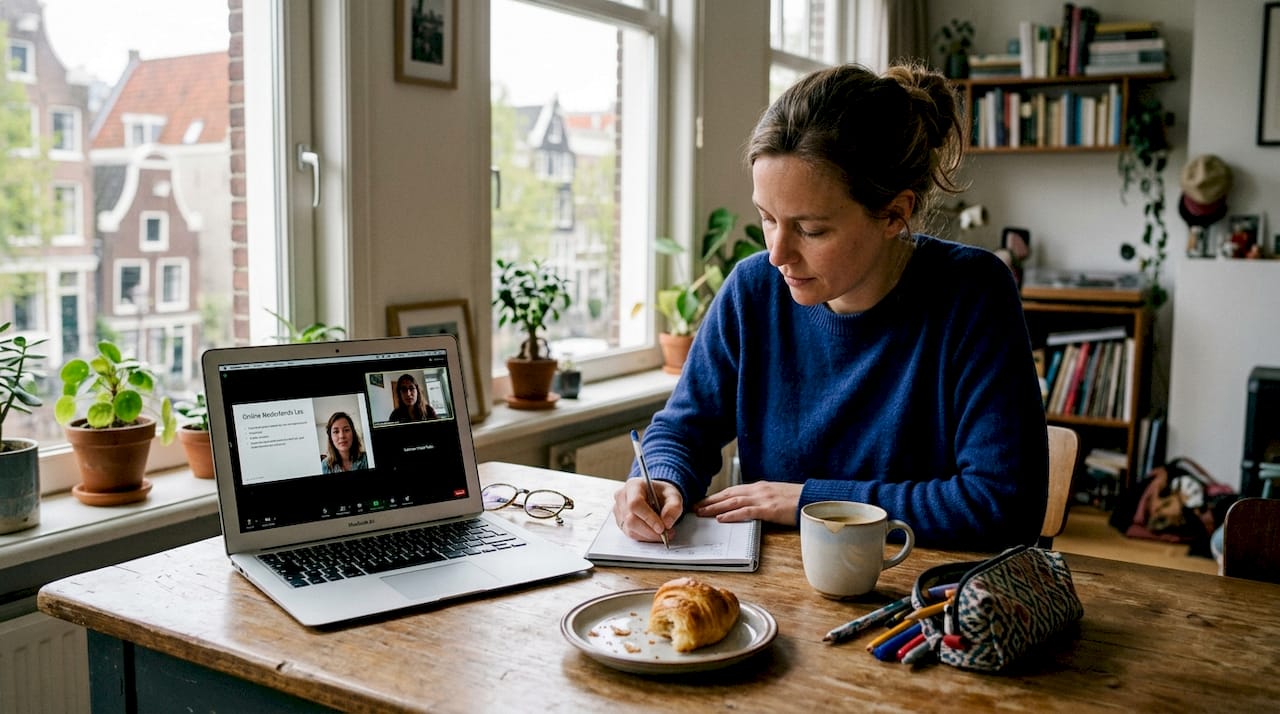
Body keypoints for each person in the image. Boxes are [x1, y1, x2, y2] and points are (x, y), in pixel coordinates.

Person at [613, 62, 1048, 551]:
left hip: (922, 600)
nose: (777, 254)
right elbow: (683, 427)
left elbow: (1003, 505)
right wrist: (662, 477)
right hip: (782, 592)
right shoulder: (752, 289)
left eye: (811, 230)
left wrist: (811, 502)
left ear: (894, 213)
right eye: (767, 219)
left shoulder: (973, 293)